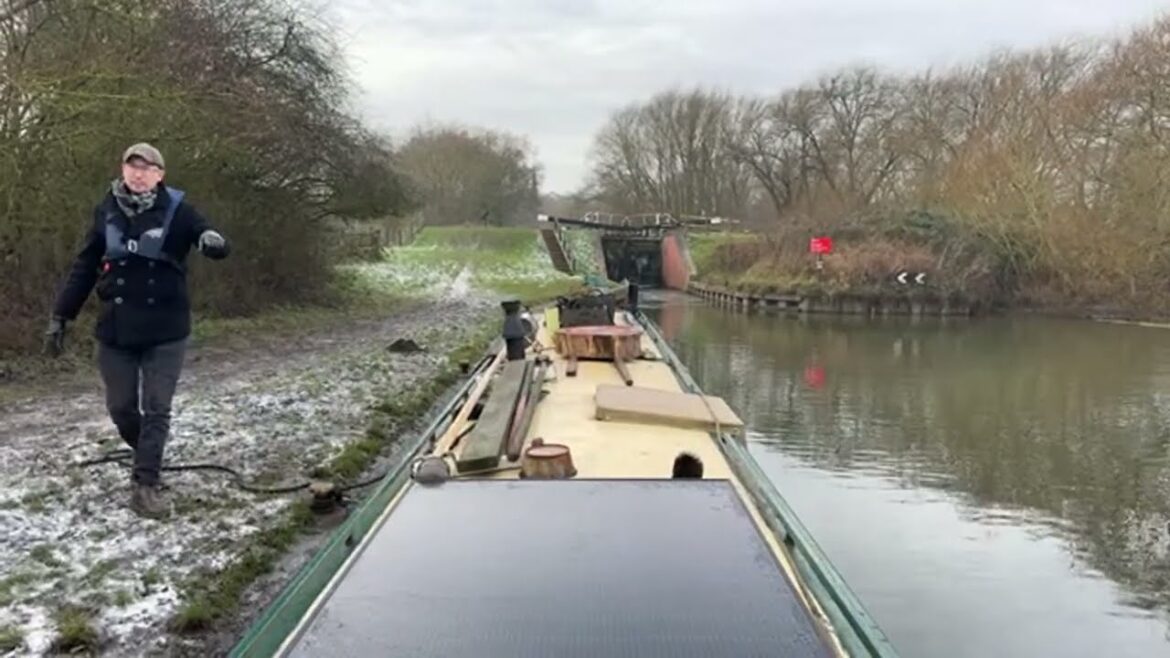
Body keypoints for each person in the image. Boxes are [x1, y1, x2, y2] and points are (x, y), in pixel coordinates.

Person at [45, 143, 231, 518]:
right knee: (122, 409)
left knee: (157, 408)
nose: (139, 174)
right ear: (123, 171)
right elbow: (84, 267)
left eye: (147, 168)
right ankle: (149, 450)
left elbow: (206, 235)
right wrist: (61, 316)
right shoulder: (106, 211)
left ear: (160, 175)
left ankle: (146, 485)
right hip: (116, 330)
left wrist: (214, 243)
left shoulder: (178, 211)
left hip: (166, 329)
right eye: (133, 167)